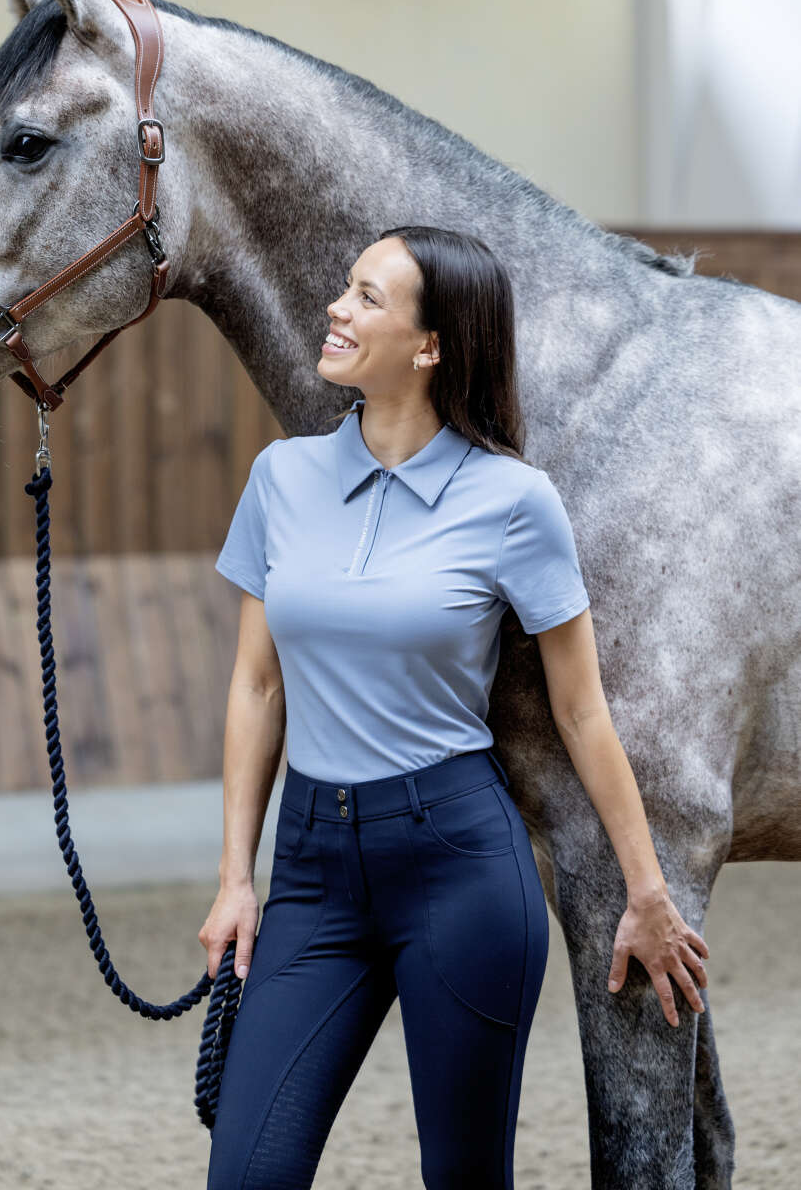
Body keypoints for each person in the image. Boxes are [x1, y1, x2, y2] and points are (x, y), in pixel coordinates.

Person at [199, 226, 710, 1190]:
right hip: (311, 872)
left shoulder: (514, 502)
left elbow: (581, 711)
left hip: (458, 869)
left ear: (430, 346)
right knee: (247, 1173)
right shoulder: (282, 478)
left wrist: (647, 894)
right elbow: (257, 686)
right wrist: (236, 876)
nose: (335, 310)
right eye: (343, 289)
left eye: (366, 298)